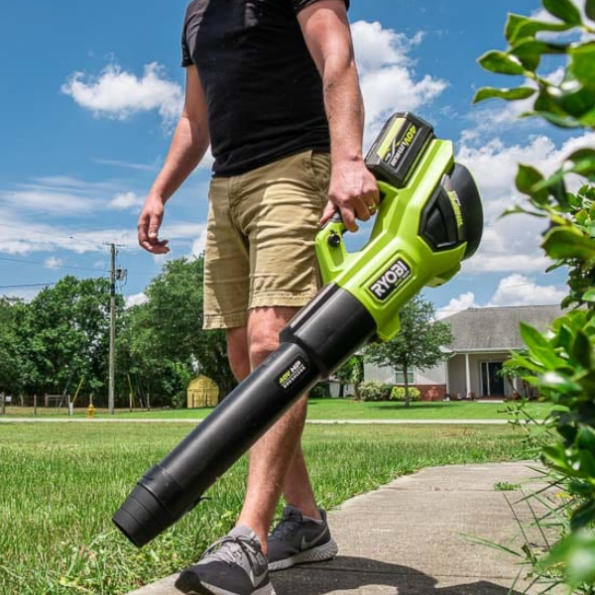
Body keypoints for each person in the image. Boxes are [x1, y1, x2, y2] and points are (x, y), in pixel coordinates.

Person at [137, 1, 379, 594]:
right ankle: (309, 524)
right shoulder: (195, 13)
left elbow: (336, 54)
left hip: (295, 168)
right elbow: (197, 116)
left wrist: (347, 159)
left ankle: (250, 539)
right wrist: (160, 189)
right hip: (228, 184)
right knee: (247, 365)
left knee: (278, 349)